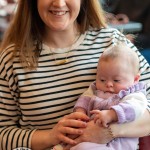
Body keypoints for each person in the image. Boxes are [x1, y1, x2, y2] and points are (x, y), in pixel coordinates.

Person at [0, 1, 150, 150]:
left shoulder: (113, 43)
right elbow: (2, 133)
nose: (59, 4)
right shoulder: (11, 59)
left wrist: (110, 131)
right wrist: (51, 136)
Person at [72, 42, 147, 150]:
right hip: (90, 137)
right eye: (102, 79)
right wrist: (80, 112)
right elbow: (84, 99)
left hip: (118, 143)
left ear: (135, 79)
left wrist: (112, 114)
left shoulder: (134, 94)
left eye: (116, 80)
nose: (108, 84)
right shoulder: (95, 89)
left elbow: (135, 108)